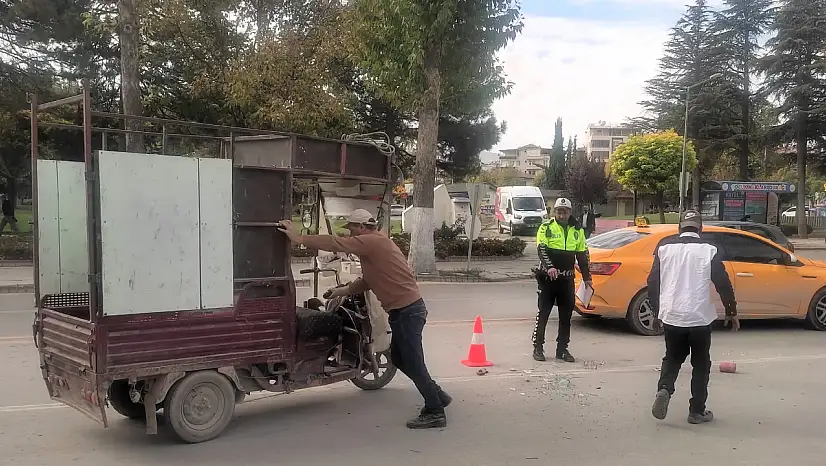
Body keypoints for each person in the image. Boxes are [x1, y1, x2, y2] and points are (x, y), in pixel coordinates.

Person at [277, 209, 451, 429]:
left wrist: (299, 238)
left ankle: (435, 410)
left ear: (361, 227)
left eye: (351, 229)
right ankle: (437, 395)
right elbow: (367, 281)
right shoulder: (374, 248)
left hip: (408, 311)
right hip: (403, 312)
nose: (350, 234)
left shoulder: (371, 241)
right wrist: (339, 292)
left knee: (413, 362)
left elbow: (335, 243)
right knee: (399, 358)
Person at [647, 209, 739, 425]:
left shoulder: (664, 247)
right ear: (701, 228)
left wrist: (656, 311)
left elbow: (653, 282)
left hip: (672, 316)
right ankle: (696, 411)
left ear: (680, 228)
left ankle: (664, 389)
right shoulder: (709, 249)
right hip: (699, 319)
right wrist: (731, 311)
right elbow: (723, 282)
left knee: (672, 359)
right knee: (700, 365)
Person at [532, 197, 592, 363]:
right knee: (543, 313)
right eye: (559, 211)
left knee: (566, 317)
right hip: (548, 279)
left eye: (564, 211)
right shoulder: (546, 227)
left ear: (570, 212)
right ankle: (538, 347)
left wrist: (587, 278)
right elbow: (541, 248)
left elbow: (582, 255)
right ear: (554, 212)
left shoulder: (577, 230)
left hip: (567, 280)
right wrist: (550, 266)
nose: (561, 214)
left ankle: (562, 349)